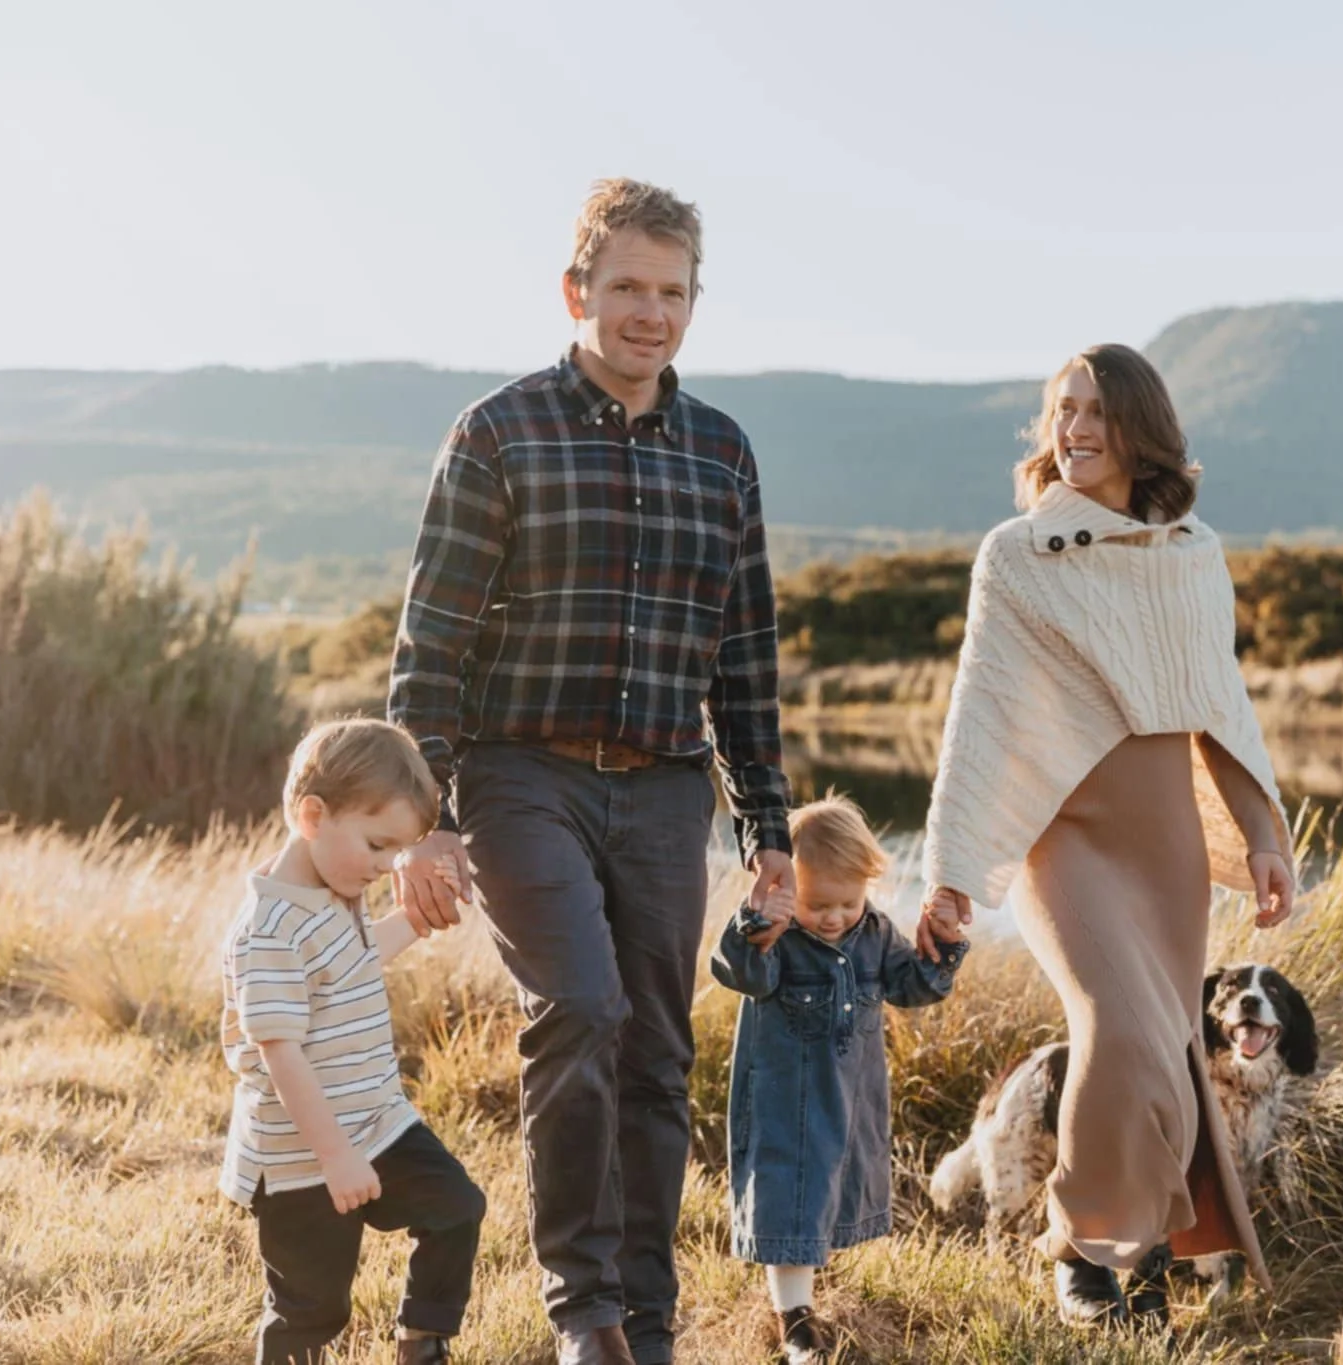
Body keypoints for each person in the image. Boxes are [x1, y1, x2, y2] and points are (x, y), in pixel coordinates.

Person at [387, 178, 796, 1365]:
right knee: (578, 1009)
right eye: (625, 288)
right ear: (578, 292)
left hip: (667, 788)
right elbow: (433, 641)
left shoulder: (724, 453)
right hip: (523, 776)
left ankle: (647, 1321)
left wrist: (768, 825)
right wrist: (425, 817)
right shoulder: (499, 431)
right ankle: (586, 1314)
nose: (648, 314)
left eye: (671, 293)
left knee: (659, 1053)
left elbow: (744, 655)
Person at [917, 343, 1298, 1330]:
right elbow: (981, 715)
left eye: (1093, 412)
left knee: (1167, 1049)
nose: (1073, 430)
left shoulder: (1189, 555)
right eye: (1060, 411)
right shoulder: (1017, 555)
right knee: (1118, 1030)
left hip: (1161, 838)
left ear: (1139, 430)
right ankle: (1081, 1246)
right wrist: (951, 871)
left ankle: (1145, 1259)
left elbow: (1221, 707)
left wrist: (1261, 834)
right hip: (1063, 839)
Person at [219, 718, 485, 1365]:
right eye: (377, 845)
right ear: (313, 815)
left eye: (397, 850)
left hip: (377, 1121)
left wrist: (414, 921)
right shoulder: (271, 929)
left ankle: (422, 1345)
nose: (385, 865)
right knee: (312, 1309)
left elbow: (354, 963)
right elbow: (281, 1054)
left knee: (457, 1207)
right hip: (303, 1156)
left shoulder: (332, 890)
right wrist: (335, 1157)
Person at [709, 795, 968, 1365]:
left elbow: (912, 986)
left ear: (866, 886)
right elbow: (738, 970)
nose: (832, 917)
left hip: (850, 1098)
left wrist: (942, 947)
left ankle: (810, 1296)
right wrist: (755, 928)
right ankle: (795, 1319)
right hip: (785, 1101)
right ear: (784, 892)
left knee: (831, 1193)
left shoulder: (874, 931)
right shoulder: (776, 938)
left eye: (847, 902)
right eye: (816, 903)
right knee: (789, 1195)